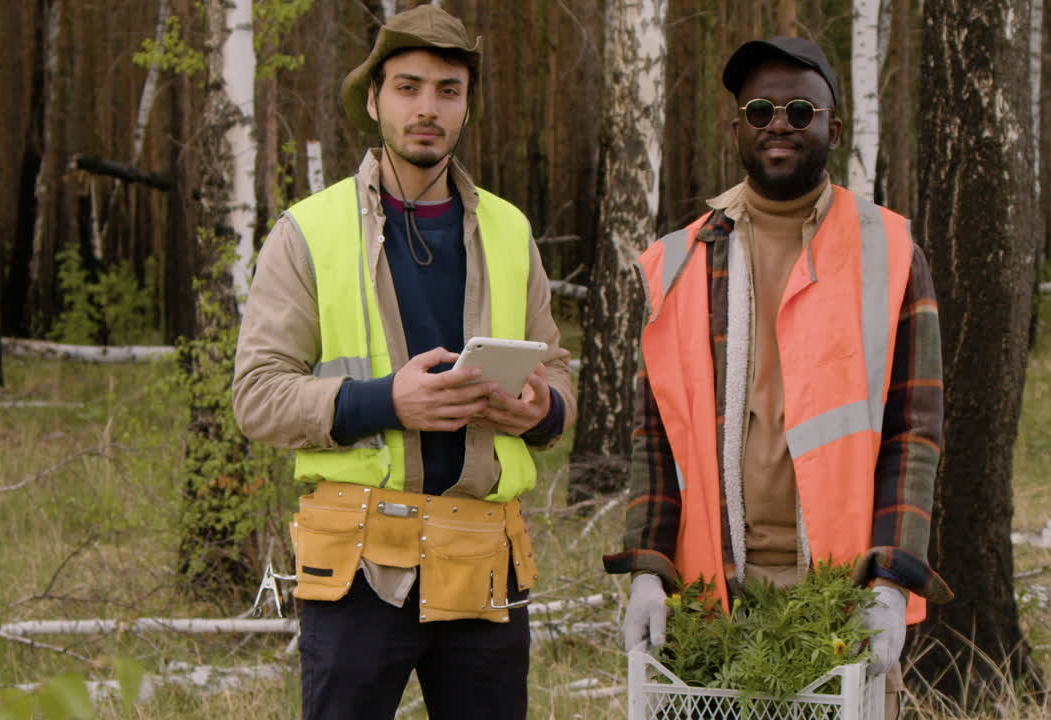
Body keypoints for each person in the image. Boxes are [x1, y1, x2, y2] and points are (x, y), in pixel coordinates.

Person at [232, 6, 575, 719]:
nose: (428, 108)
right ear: (373, 99)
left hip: (483, 554)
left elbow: (559, 374)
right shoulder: (308, 232)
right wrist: (386, 401)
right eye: (408, 87)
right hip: (359, 559)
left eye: (448, 90)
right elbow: (258, 395)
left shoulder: (510, 230)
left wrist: (543, 410)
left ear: (466, 105)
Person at [602, 35, 952, 718]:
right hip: (710, 599)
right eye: (760, 110)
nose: (779, 125)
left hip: (842, 599)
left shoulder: (888, 249)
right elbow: (655, 437)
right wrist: (647, 570)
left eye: (800, 110)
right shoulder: (677, 264)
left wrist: (889, 581)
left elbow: (917, 430)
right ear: (737, 126)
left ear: (835, 128)